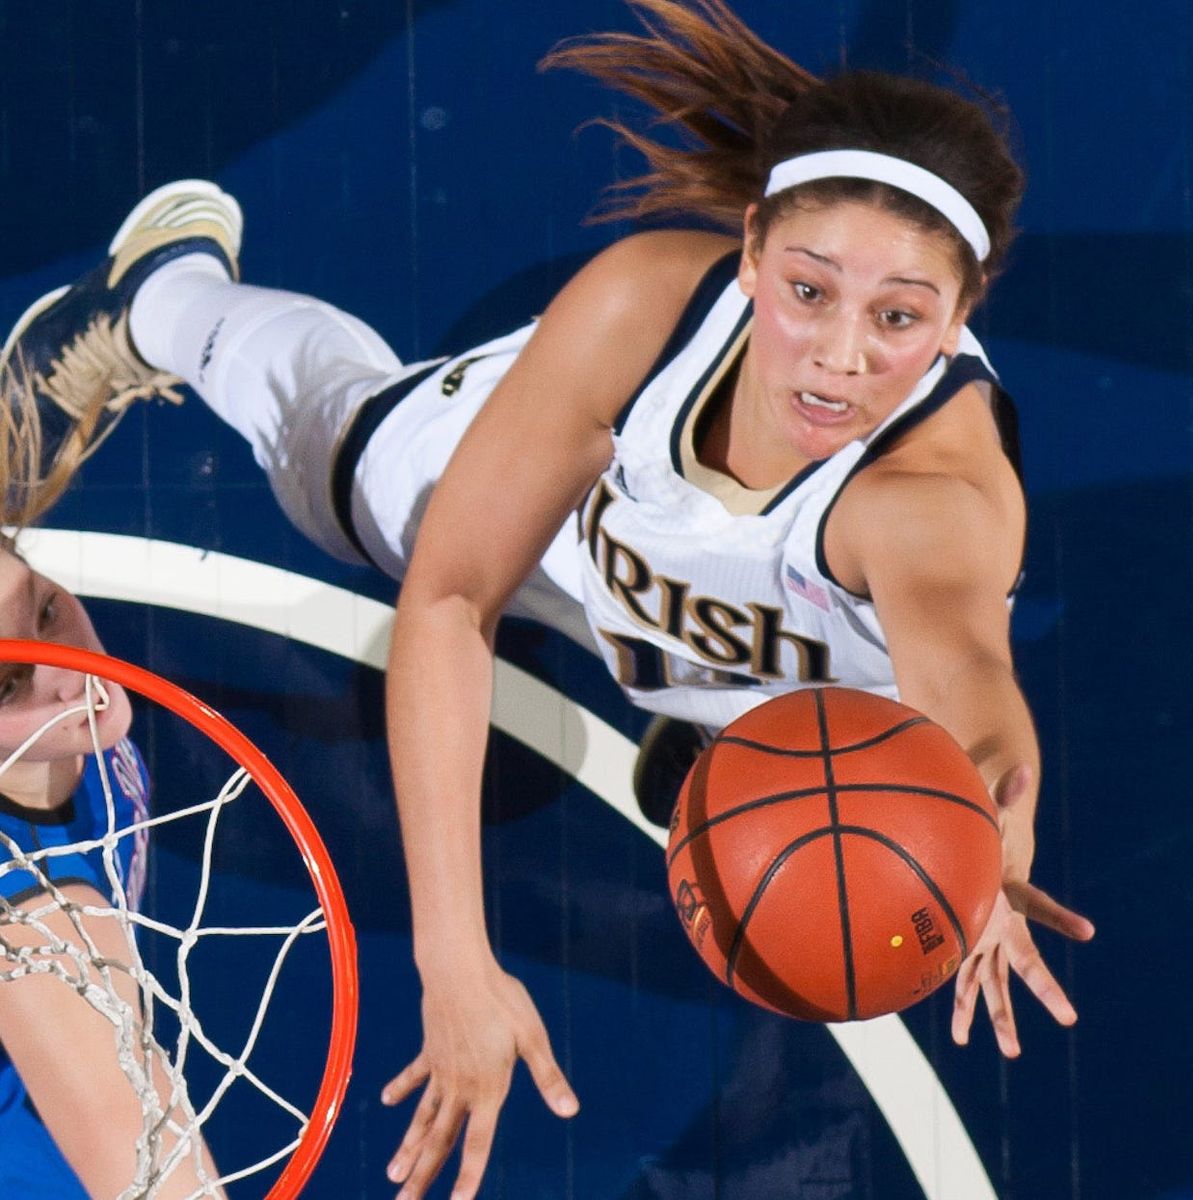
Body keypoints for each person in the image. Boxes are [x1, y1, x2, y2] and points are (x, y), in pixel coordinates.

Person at [0, 2, 1096, 1196]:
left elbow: (969, 694)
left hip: (798, 656)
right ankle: (161, 300)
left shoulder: (932, 502)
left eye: (898, 318)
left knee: (866, 745)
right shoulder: (646, 308)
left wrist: (987, 822)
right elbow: (451, 601)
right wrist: (455, 959)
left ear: (958, 320)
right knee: (336, 464)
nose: (839, 357)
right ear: (747, 258)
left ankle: (725, 719)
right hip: (580, 533)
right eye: (808, 292)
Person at [0, 541, 225, 1198]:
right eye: (7, 682)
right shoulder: (33, 919)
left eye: (45, 611)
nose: (68, 674)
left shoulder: (72, 738)